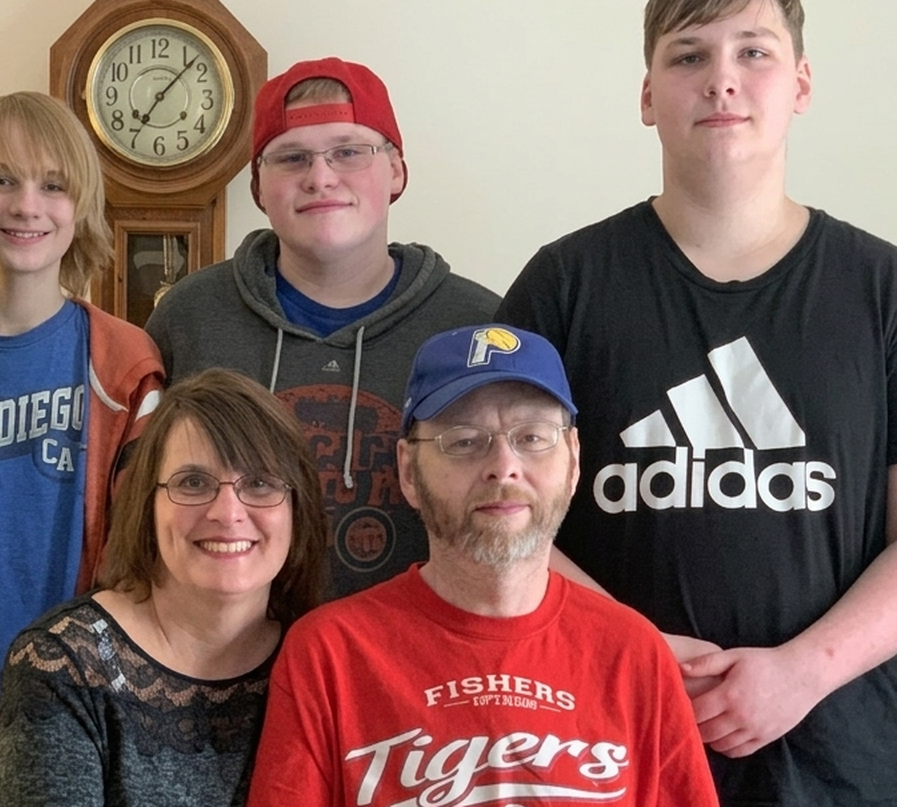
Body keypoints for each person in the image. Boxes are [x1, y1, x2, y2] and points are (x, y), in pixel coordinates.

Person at [497, 0, 897, 805]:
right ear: (647, 95)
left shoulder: (883, 290)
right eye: (688, 56)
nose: (722, 81)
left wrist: (803, 671)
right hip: (601, 742)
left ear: (800, 85)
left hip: (838, 764)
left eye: (754, 52)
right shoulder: (563, 286)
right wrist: (627, 650)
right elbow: (497, 515)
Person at [246, 324, 718, 806]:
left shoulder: (635, 654)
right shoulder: (330, 655)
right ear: (408, 471)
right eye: (465, 441)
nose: (503, 466)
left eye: (532, 437)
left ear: (573, 461)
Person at [146, 57, 500, 599]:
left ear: (397, 170)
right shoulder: (189, 317)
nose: (320, 177)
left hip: (415, 645)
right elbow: (140, 502)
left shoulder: (478, 329)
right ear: (258, 186)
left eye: (349, 152)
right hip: (224, 640)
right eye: (292, 158)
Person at [0, 91, 166, 807]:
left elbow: (140, 561)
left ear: (80, 205)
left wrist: (66, 721)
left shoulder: (125, 364)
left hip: (91, 718)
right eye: (2, 179)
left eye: (53, 185)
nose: (27, 205)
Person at [0, 367, 326, 807]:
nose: (228, 513)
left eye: (259, 483)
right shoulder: (63, 665)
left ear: (297, 508)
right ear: (148, 504)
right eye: (193, 482)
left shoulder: (328, 663)